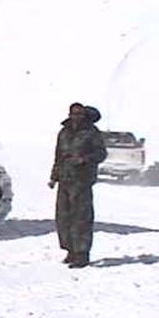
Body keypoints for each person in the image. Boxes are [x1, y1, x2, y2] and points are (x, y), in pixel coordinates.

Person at [48, 102, 107, 268]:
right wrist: (54, 177)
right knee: (63, 217)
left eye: (80, 114)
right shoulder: (64, 132)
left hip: (82, 180)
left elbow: (101, 153)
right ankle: (70, 250)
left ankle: (82, 254)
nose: (76, 117)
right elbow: (58, 156)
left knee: (81, 218)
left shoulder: (91, 132)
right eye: (73, 113)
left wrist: (85, 159)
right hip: (65, 179)